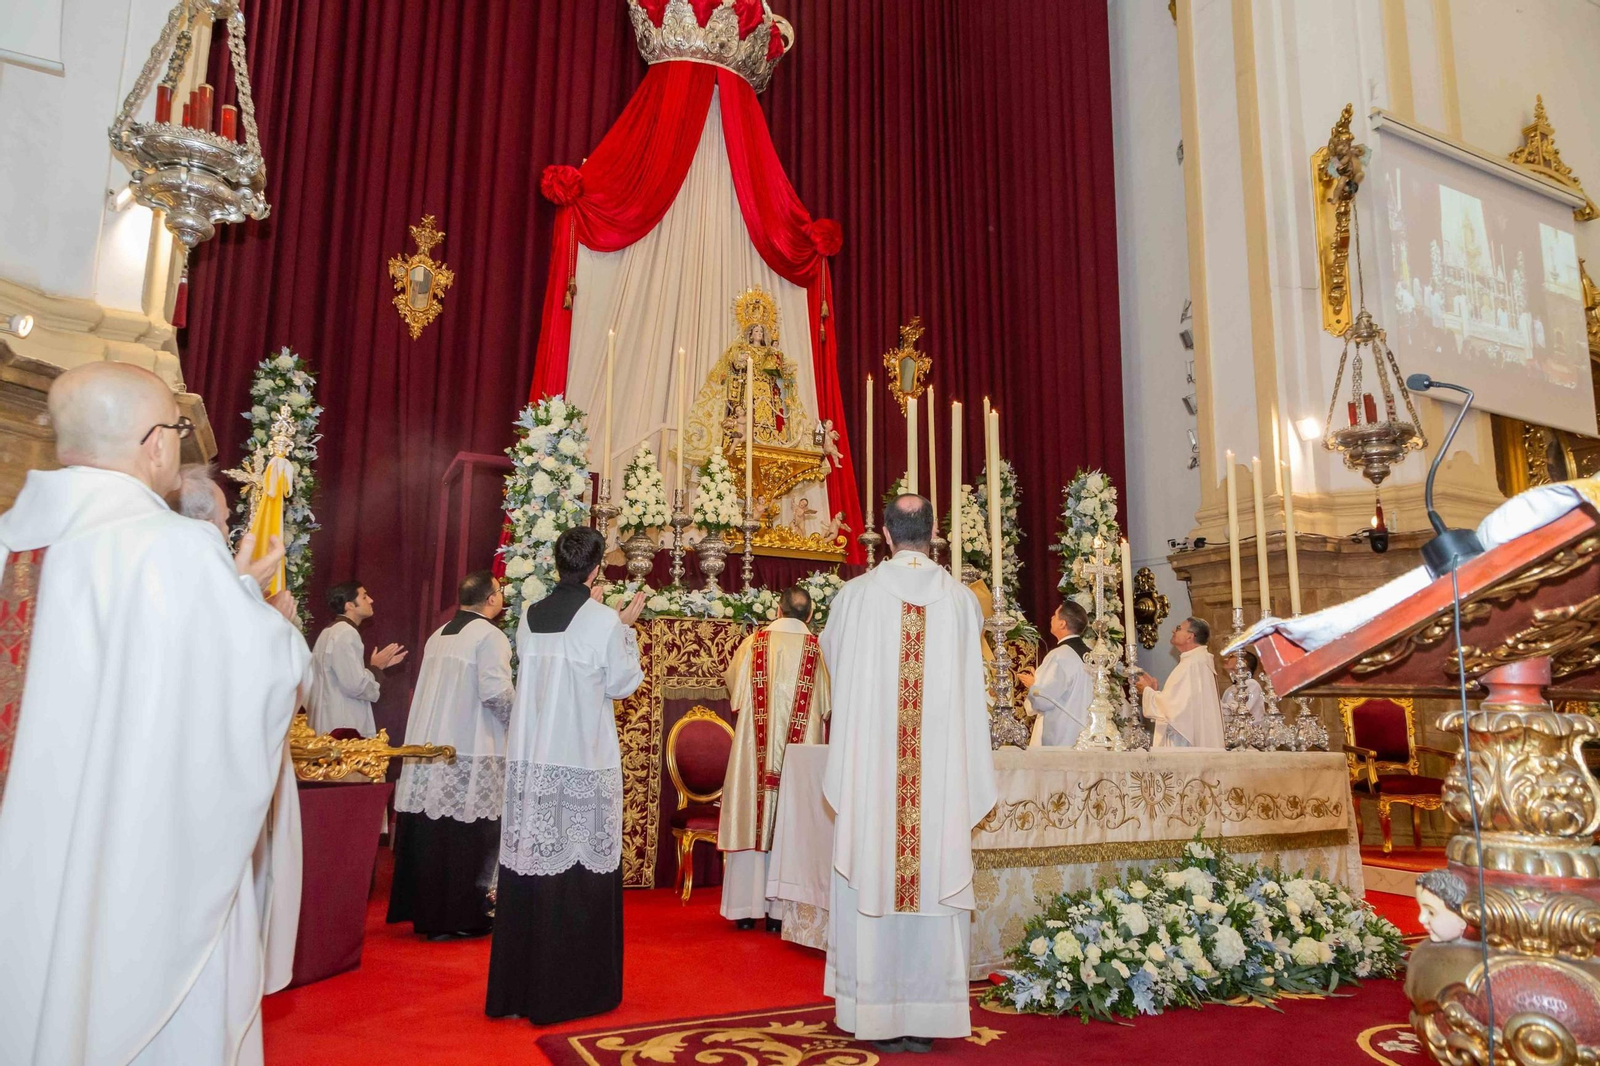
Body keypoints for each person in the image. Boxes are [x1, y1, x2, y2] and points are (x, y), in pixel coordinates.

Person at [0, 362, 310, 1066]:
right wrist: (279, 630)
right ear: (157, 444)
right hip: (132, 879)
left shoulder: (10, 542)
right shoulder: (172, 551)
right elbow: (262, 686)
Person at [820, 494, 997, 1053]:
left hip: (877, 779)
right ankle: (928, 1013)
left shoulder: (856, 597)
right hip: (938, 784)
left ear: (888, 536)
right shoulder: (962, 602)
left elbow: (833, 660)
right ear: (934, 534)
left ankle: (873, 1007)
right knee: (934, 871)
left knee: (873, 871)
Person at [487, 526, 646, 1025]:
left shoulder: (529, 618)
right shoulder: (603, 621)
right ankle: (572, 992)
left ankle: (520, 987)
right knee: (576, 875)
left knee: (533, 867)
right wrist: (623, 627)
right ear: (597, 568)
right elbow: (623, 683)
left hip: (534, 761)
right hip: (581, 758)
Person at [389, 570, 515, 940]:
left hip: (432, 746)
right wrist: (523, 722)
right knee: (466, 835)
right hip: (470, 746)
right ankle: (463, 916)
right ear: (490, 599)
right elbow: (495, 694)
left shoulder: (437, 635)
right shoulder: (490, 636)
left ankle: (430, 914)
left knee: (436, 832)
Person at [718, 585, 832, 931]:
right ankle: (782, 915)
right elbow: (826, 708)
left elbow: (734, 692)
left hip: (755, 758)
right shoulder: (818, 650)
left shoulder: (754, 644)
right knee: (793, 817)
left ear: (778, 611)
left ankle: (745, 908)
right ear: (810, 615)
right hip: (799, 760)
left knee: (752, 812)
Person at [307, 580, 406, 735]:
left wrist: (375, 667)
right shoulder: (347, 633)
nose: (371, 600)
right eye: (364, 597)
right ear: (349, 605)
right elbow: (355, 685)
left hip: (328, 717)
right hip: (343, 725)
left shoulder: (329, 631)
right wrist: (375, 669)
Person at [1134, 617, 1224, 748]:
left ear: (1190, 637)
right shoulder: (1196, 661)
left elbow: (1173, 711)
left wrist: (1147, 691)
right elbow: (1180, 704)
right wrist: (1154, 692)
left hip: (1184, 742)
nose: (1173, 630)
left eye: (1178, 628)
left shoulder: (1193, 664)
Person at [1016, 600, 1092, 747]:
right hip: (1087, 732)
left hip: (1062, 736)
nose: (1051, 618)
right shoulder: (1091, 655)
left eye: (1055, 615)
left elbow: (1043, 700)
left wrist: (1033, 684)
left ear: (1062, 624)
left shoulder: (1059, 655)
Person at [1220, 647, 1265, 726]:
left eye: (1231, 656)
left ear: (1243, 662)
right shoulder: (1229, 690)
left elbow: (1243, 711)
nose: (1226, 659)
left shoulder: (1252, 684)